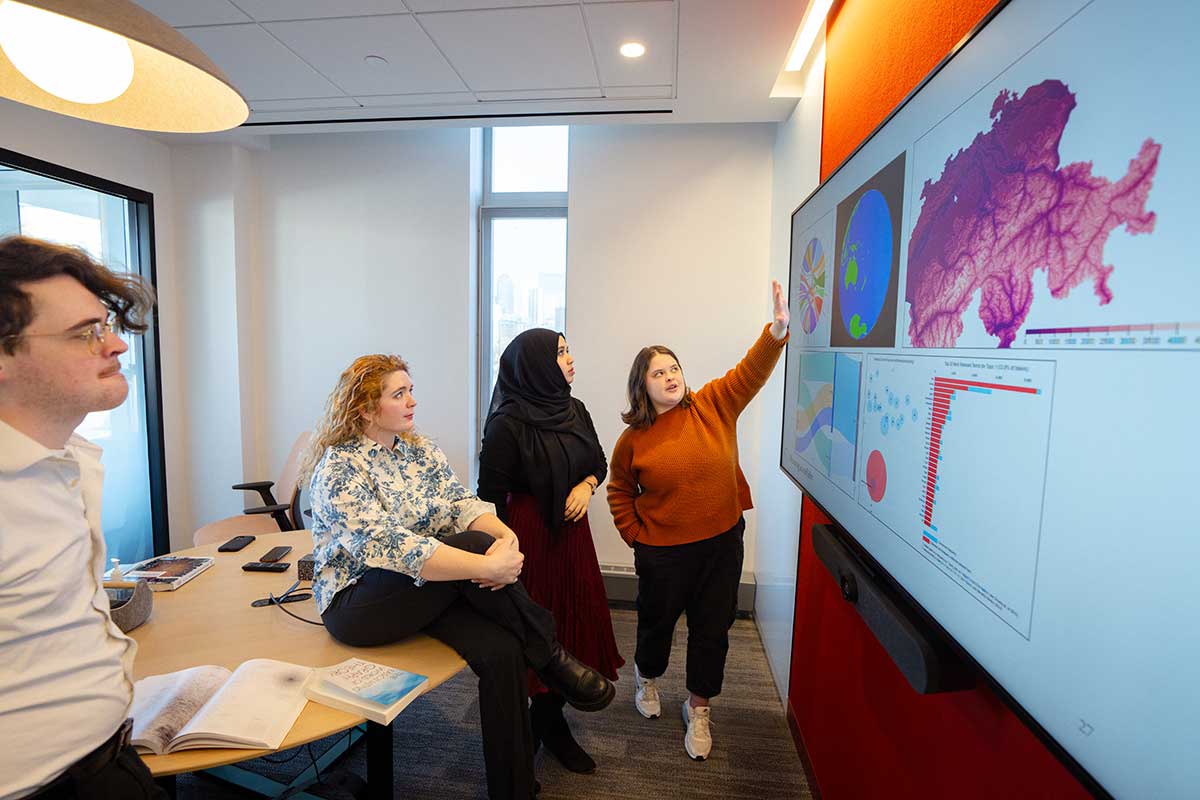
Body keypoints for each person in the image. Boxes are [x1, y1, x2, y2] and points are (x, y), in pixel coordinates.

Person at [300, 354, 615, 800]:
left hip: (425, 587)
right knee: (467, 547)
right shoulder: (339, 468)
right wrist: (484, 565)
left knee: (503, 650)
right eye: (399, 394)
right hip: (359, 602)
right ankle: (550, 655)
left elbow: (462, 503)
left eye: (410, 389)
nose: (413, 401)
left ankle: (515, 789)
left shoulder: (419, 450)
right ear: (367, 409)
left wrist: (506, 538)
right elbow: (389, 547)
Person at [0, 236, 166, 799]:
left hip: (110, 757)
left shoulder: (70, 460)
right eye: (85, 333)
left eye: (107, 325)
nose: (117, 345)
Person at [607, 280, 790, 762]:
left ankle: (699, 706)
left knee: (713, 628)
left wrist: (776, 330)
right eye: (658, 373)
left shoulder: (713, 403)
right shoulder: (634, 440)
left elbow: (749, 372)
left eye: (674, 368)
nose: (670, 377)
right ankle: (646, 680)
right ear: (642, 386)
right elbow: (619, 491)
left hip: (722, 543)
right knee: (656, 624)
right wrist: (636, 537)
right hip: (664, 553)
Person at [477, 329, 623, 775]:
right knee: (535, 629)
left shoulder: (573, 408)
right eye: (560, 353)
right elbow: (488, 494)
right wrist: (502, 548)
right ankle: (533, 727)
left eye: (567, 349)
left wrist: (586, 485)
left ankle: (551, 722)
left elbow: (598, 459)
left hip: (572, 537)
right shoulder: (507, 422)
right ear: (537, 364)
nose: (570, 358)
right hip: (527, 536)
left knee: (571, 624)